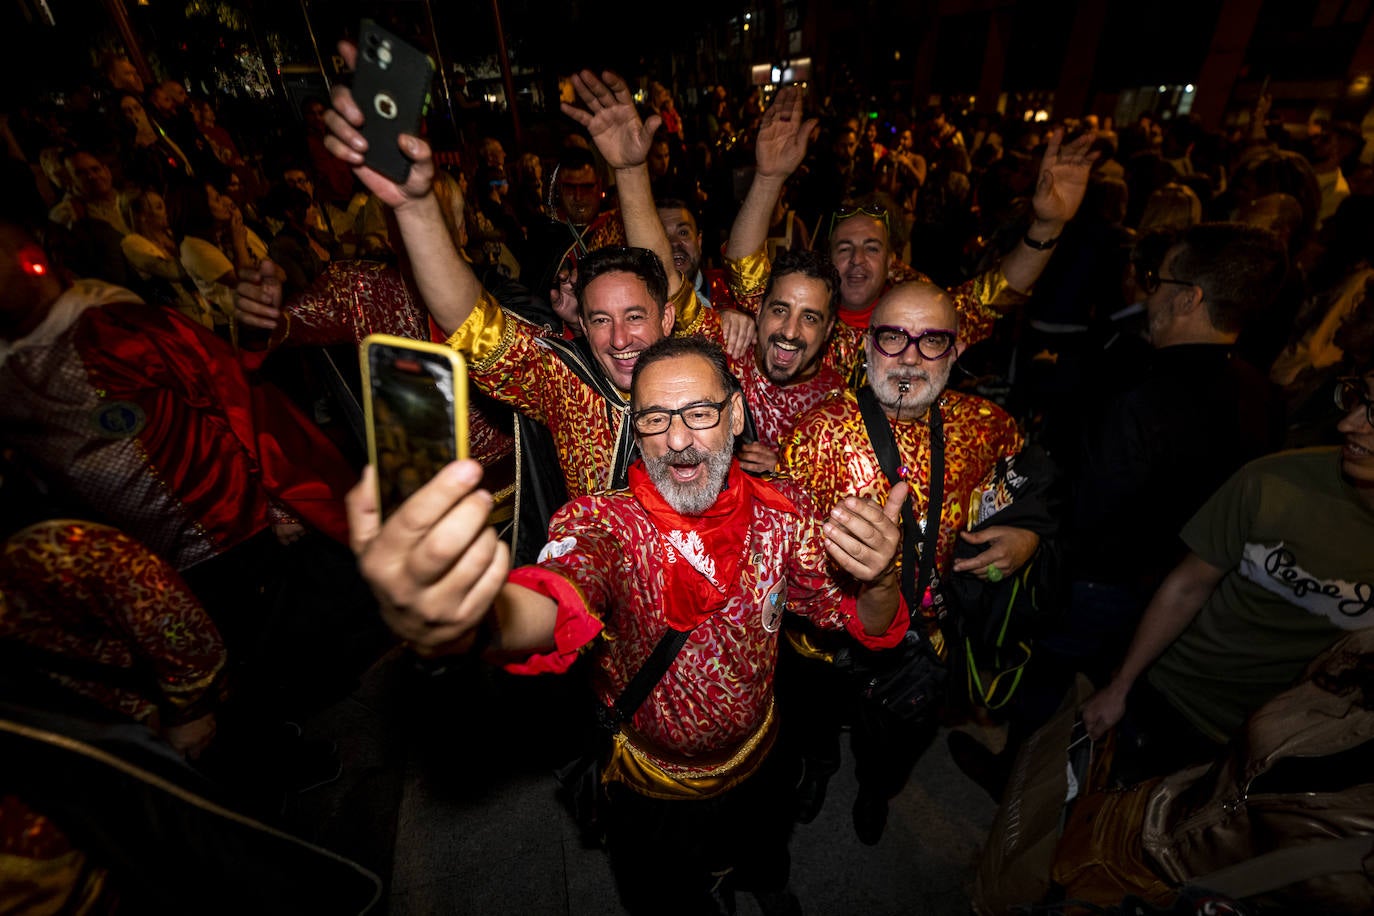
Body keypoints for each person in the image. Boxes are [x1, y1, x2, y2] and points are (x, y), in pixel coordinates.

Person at [350, 335, 909, 915]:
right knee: (667, 898)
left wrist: (881, 578)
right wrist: (475, 615)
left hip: (759, 760)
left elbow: (864, 623)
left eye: (699, 412)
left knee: (764, 853)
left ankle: (766, 882)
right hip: (650, 784)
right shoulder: (607, 523)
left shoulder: (784, 515)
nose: (676, 440)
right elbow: (561, 591)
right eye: (654, 419)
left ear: (737, 413)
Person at [780, 280, 1047, 843]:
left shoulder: (989, 427)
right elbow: (785, 564)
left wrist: (1028, 536)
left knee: (896, 736)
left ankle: (877, 789)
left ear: (955, 351)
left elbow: (1039, 495)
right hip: (828, 641)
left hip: (927, 639)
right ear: (866, 344)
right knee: (816, 722)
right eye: (893, 337)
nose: (909, 356)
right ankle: (819, 772)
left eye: (931, 342)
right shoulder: (815, 434)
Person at [1081, 363, 1374, 780]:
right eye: (1358, 397)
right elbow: (1187, 585)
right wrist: (1121, 685)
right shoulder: (1273, 480)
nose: (1348, 423)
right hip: (1171, 699)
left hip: (1279, 745)